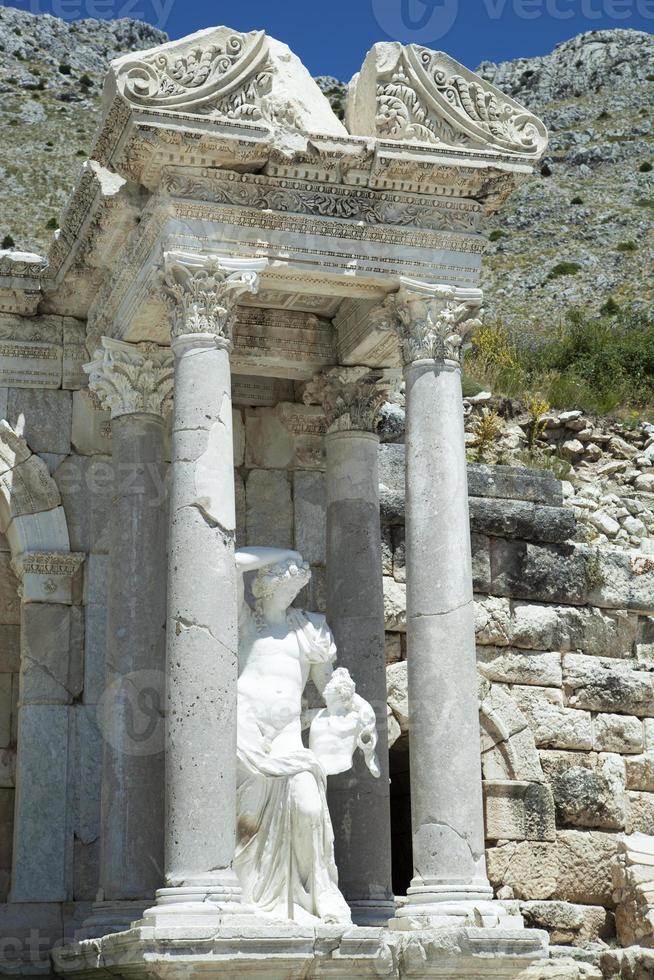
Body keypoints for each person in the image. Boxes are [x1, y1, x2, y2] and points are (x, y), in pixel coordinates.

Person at [234, 547, 353, 925]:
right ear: (264, 588)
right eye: (286, 584)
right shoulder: (243, 623)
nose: (293, 593)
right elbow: (229, 562)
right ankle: (244, 898)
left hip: (288, 738)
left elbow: (330, 686)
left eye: (296, 586)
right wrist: (285, 553)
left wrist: (345, 697)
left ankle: (319, 895)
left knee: (309, 807)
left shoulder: (308, 629)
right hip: (245, 734)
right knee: (246, 823)